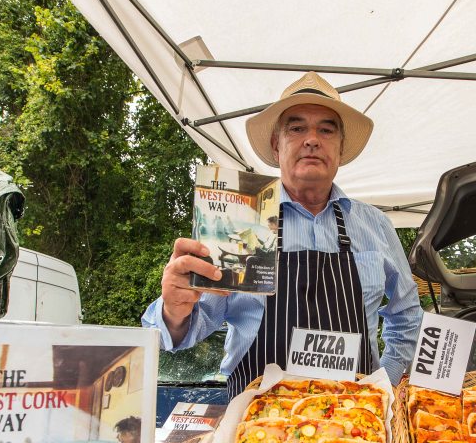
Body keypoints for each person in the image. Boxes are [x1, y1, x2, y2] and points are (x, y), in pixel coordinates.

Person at [143, 72, 422, 398]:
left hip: (356, 426)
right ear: (277, 146)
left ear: (341, 148)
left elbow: (407, 316)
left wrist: (384, 385)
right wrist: (175, 309)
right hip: (257, 426)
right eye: (297, 127)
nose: (312, 139)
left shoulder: (376, 224)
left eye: (326, 130)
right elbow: (186, 329)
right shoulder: (239, 220)